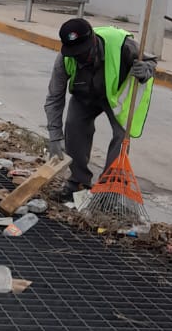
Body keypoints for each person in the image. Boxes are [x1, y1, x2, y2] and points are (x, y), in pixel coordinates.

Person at [44, 18, 156, 200]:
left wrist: (147, 70)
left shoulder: (122, 44)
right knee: (74, 126)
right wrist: (54, 135)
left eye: (82, 53)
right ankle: (78, 182)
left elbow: (151, 61)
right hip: (84, 94)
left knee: (121, 135)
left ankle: (109, 187)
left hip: (116, 96)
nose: (79, 58)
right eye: (74, 54)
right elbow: (54, 97)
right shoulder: (65, 58)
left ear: (93, 41)